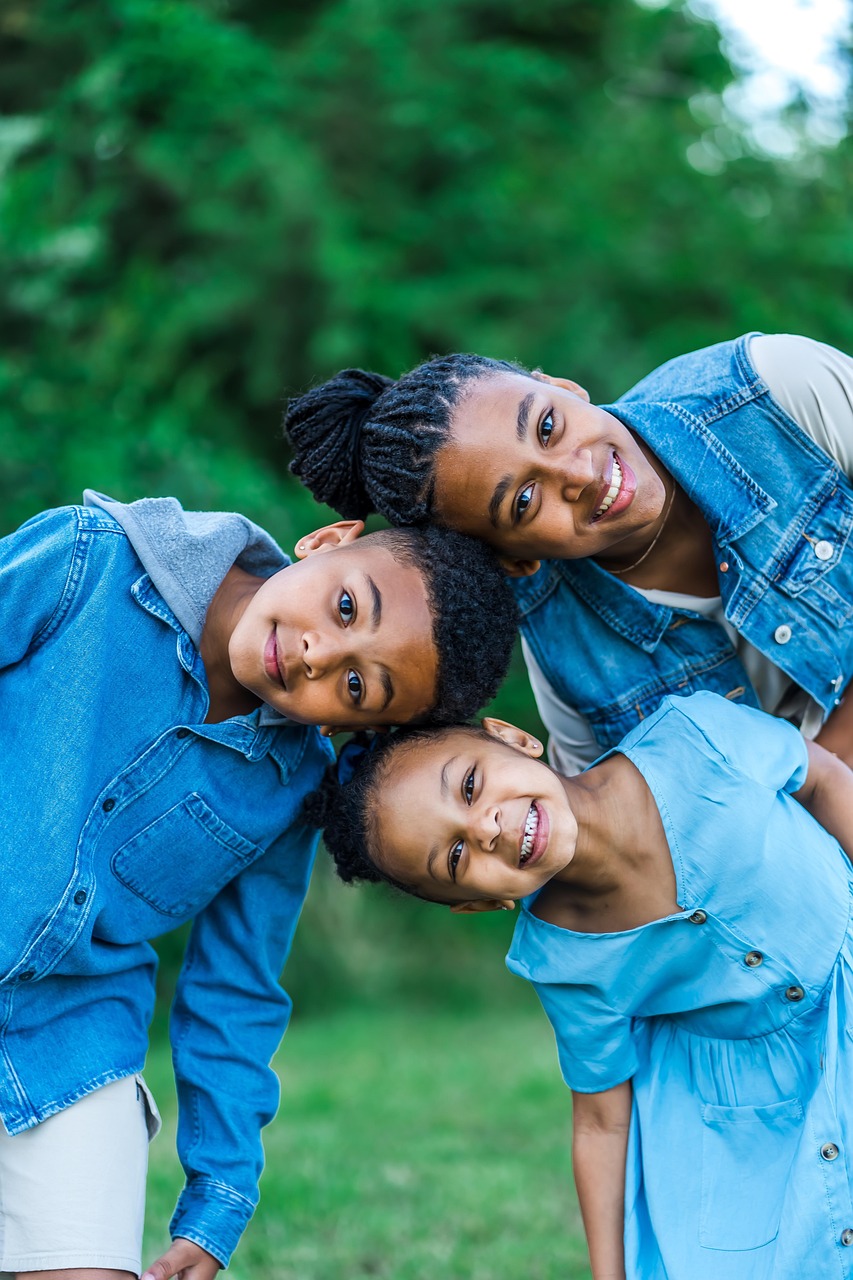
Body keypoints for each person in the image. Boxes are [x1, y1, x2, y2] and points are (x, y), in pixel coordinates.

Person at [0, 490, 516, 1280]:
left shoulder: (289, 787)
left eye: (354, 687)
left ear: (355, 728)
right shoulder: (88, 561)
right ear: (329, 540)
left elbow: (233, 990)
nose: (317, 655)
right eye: (347, 606)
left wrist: (219, 1195)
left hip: (66, 1037)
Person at [311, 693, 853, 1280]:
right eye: (457, 855)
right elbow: (600, 1118)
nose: (486, 828)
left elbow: (820, 776)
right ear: (480, 902)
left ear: (514, 737)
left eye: (469, 786)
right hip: (758, 1107)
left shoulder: (695, 737)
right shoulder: (562, 957)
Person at [284, 333, 853, 770]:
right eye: (526, 501)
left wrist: (824, 771)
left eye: (548, 426)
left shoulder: (773, 392)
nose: (578, 472)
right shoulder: (569, 667)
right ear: (515, 560)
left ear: (562, 385)